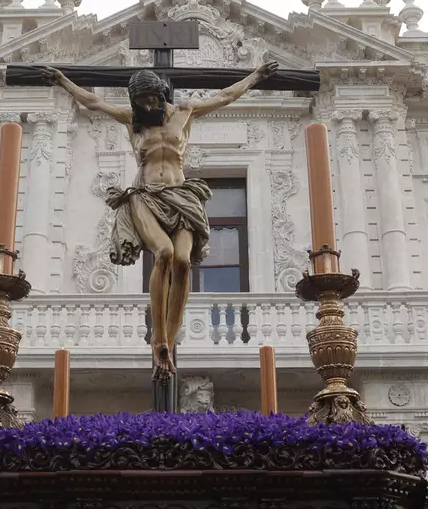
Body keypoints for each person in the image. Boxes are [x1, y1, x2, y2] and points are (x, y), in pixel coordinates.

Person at [41, 61, 277, 380]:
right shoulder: (133, 121)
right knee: (163, 254)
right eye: (140, 101)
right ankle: (158, 338)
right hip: (145, 195)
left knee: (182, 261)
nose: (147, 106)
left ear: (161, 93)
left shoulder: (185, 111)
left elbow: (224, 96)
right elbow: (94, 102)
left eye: (151, 98)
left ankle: (170, 336)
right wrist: (64, 81)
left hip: (181, 195)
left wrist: (255, 78)